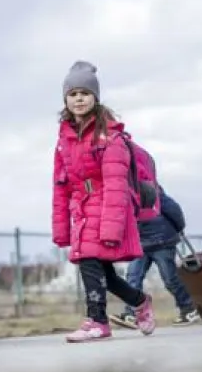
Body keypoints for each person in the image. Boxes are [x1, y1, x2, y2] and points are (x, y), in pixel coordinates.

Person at [52, 60, 157, 343]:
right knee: (104, 274)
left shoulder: (109, 137)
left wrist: (111, 229)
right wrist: (61, 228)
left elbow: (116, 185)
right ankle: (139, 301)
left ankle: (97, 321)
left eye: (84, 93)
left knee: (89, 261)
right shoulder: (64, 140)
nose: (79, 99)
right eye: (73, 94)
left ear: (95, 97)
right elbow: (60, 186)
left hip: (106, 208)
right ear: (65, 99)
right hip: (81, 209)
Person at [110, 186, 200, 328]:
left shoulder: (153, 191)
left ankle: (188, 309)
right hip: (141, 244)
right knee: (133, 277)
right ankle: (131, 314)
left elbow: (174, 210)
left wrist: (178, 229)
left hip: (162, 241)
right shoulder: (123, 194)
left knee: (170, 279)